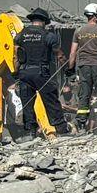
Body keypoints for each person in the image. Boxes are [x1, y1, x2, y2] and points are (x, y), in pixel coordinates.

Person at [13, 9, 64, 138]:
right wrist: (68, 69)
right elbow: (60, 55)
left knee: (27, 103)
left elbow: (16, 57)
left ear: (32, 20)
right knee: (51, 101)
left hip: (24, 72)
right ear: (44, 22)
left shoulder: (19, 36)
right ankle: (61, 129)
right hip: (41, 73)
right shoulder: (49, 36)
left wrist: (16, 72)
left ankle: (31, 132)